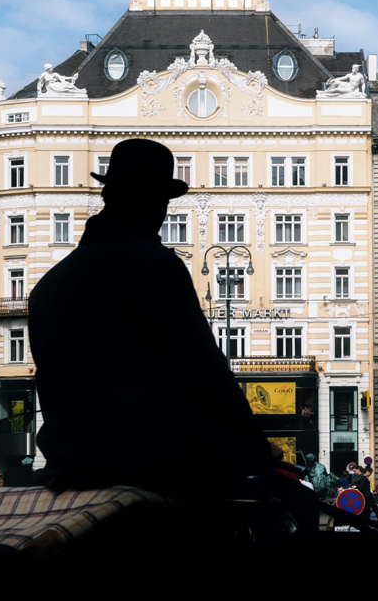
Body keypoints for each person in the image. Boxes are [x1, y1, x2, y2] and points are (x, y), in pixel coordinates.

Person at [28, 139, 274, 501]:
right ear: (155, 202)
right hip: (152, 468)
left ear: (109, 197)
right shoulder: (155, 266)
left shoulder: (48, 285)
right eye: (164, 201)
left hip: (69, 470)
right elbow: (203, 371)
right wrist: (255, 447)